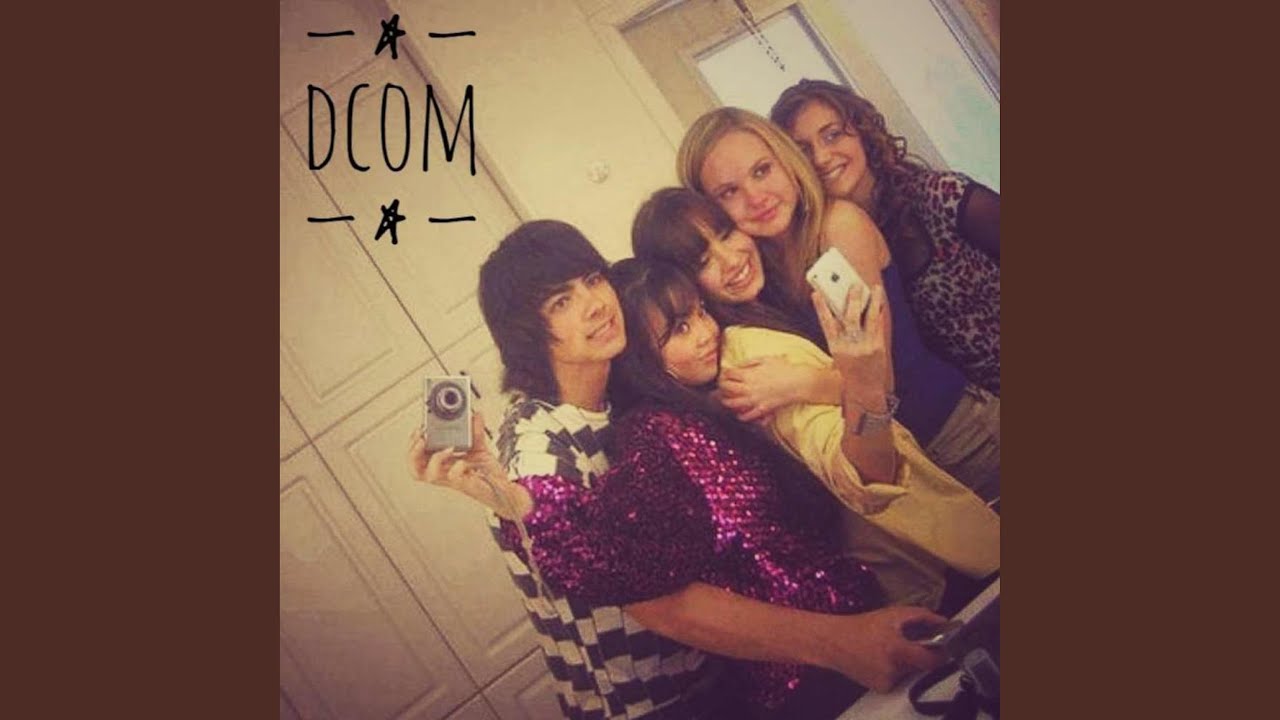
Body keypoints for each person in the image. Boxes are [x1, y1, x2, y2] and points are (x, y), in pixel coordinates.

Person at [409, 221, 946, 719]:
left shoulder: (620, 403)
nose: (594, 305)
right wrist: (844, 643)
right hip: (641, 704)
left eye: (592, 280)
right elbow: (655, 601)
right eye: (561, 302)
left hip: (712, 676)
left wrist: (845, 380)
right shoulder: (536, 444)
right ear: (527, 334)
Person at [631, 188, 999, 608]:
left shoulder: (768, 300)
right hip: (930, 556)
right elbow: (859, 472)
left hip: (943, 503)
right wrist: (852, 382)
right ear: (680, 284)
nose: (731, 259)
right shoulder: (750, 357)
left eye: (727, 232)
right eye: (703, 262)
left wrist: (809, 382)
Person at [673, 109, 1000, 503]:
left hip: (962, 439)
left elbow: (881, 384)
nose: (756, 198)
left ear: (787, 162)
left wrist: (794, 384)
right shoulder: (753, 269)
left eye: (762, 171)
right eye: (729, 192)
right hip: (896, 469)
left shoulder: (837, 228)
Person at [770, 79, 1000, 396]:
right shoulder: (830, 246)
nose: (821, 158)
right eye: (803, 150)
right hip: (974, 400)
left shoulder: (940, 196)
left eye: (832, 135)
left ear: (862, 130)